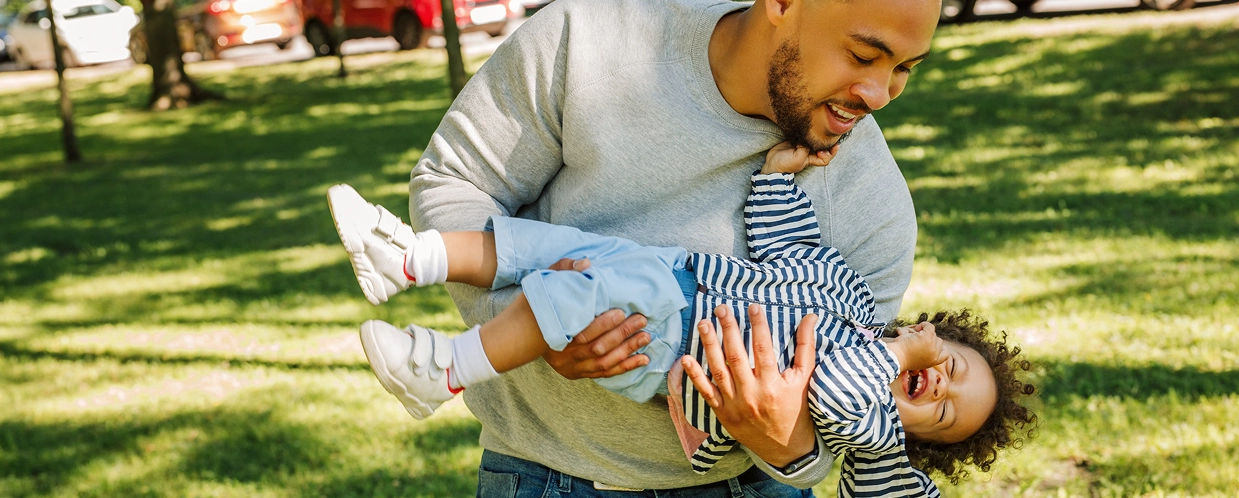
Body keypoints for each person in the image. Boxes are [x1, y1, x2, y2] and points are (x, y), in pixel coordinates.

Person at [407, 0, 942, 494]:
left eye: (904, 69)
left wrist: (789, 445)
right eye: (863, 55)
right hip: (542, 472)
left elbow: (848, 422)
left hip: (747, 486)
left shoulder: (875, 206)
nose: (879, 95)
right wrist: (533, 328)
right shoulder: (592, 36)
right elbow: (457, 181)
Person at [327, 142, 1036, 497]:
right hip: (682, 283)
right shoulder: (850, 300)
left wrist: (901, 359)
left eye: (946, 414)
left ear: (913, 442)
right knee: (552, 248)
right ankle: (407, 258)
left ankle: (444, 369)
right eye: (956, 369)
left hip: (677, 347)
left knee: (577, 291)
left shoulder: (870, 422)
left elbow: (832, 390)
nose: (940, 387)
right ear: (940, 334)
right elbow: (792, 254)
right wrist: (776, 180)